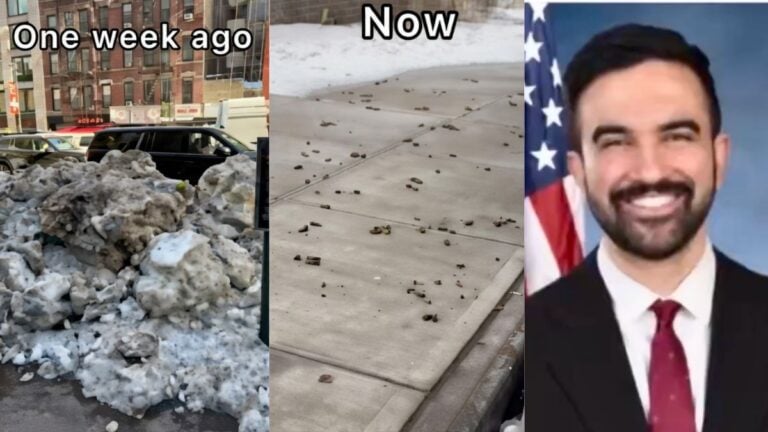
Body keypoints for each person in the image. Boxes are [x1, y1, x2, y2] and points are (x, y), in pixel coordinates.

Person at [526, 24, 768, 432]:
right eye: (616, 142)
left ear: (718, 158)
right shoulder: (527, 343)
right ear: (579, 172)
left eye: (676, 136)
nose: (650, 170)